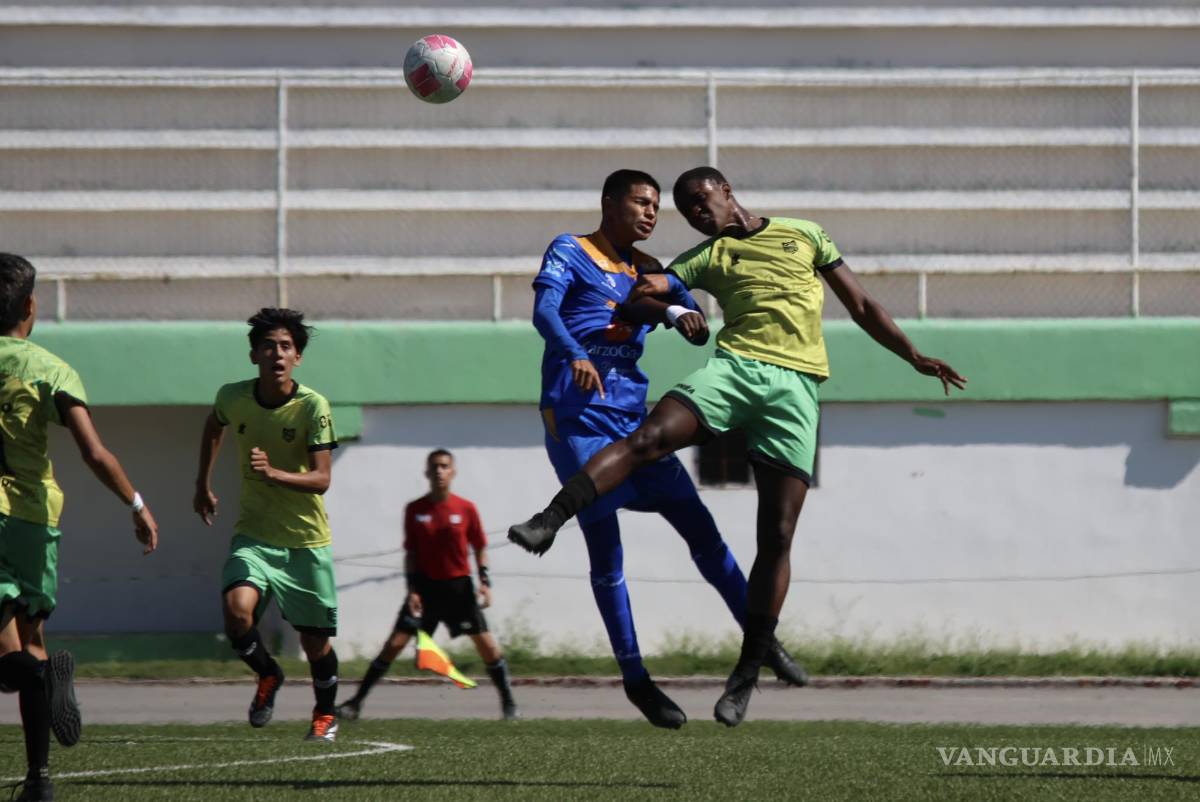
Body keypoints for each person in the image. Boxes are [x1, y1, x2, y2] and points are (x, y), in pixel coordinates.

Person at [510, 167, 968, 727]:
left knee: (738, 533)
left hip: (755, 392)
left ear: (727, 191)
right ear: (609, 202)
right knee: (614, 534)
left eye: (682, 204)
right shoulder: (643, 255)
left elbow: (859, 303)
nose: (673, 215)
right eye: (653, 204)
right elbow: (619, 303)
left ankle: (758, 652)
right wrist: (666, 312)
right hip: (600, 410)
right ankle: (630, 666)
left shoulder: (793, 237)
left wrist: (913, 355)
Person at [522, 169, 808, 729]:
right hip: (578, 420)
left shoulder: (649, 271)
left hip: (633, 425)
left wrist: (686, 315)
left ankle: (761, 642)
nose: (651, 214)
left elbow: (689, 321)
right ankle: (637, 680)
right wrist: (573, 352)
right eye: (640, 202)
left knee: (703, 533)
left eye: (656, 206)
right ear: (609, 202)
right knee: (607, 555)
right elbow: (544, 312)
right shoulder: (570, 249)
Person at [0, 253, 159, 801]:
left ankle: (44, 680)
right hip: (35, 518)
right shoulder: (52, 368)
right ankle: (39, 781)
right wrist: (136, 504)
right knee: (31, 639)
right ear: (29, 306)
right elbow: (93, 451)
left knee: (9, 663)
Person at [193, 308, 342, 742]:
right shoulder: (232, 397)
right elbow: (214, 425)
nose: (277, 353)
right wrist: (202, 482)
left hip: (305, 543)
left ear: (297, 357)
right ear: (253, 354)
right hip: (254, 537)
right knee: (236, 613)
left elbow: (322, 479)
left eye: (286, 346)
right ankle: (268, 674)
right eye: (268, 346)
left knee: (316, 646)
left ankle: (325, 716)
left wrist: (275, 473)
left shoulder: (313, 407)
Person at [336, 449, 517, 721]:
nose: (439, 471)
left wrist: (484, 582)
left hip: (459, 589)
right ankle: (355, 703)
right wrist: (412, 590)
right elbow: (411, 553)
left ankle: (508, 704)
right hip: (426, 588)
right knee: (394, 644)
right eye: (434, 467)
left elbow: (479, 547)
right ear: (426, 473)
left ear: (453, 472)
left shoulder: (465, 508)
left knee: (487, 647)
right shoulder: (415, 510)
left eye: (444, 466)